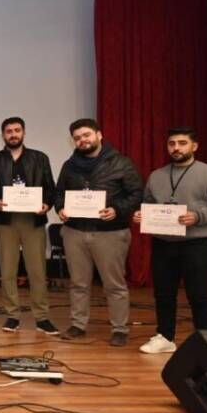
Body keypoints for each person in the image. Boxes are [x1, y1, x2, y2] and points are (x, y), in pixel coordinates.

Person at [134, 128, 207, 354]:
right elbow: (148, 203)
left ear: (194, 146)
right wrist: (142, 215)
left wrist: (198, 216)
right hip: (163, 244)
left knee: (198, 294)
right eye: (171, 144)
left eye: (182, 143)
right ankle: (165, 337)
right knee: (163, 293)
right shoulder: (157, 175)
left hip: (197, 243)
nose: (176, 148)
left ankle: (205, 341)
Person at [54, 118, 143, 347]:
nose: (82, 140)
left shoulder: (121, 162)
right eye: (77, 138)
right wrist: (60, 208)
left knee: (114, 284)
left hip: (110, 233)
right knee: (78, 283)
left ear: (99, 135)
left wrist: (118, 210)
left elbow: (136, 193)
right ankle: (78, 325)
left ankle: (120, 329)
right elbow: (59, 193)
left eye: (86, 135)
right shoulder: (69, 165)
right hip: (75, 232)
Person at [0, 117, 58, 335]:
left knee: (37, 270)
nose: (13, 134)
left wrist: (47, 204)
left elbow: (50, 188)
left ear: (23, 133)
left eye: (17, 130)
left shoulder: (39, 158)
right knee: (7, 270)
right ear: (3, 135)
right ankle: (12, 315)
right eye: (9, 131)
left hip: (32, 220)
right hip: (5, 221)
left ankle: (42, 317)